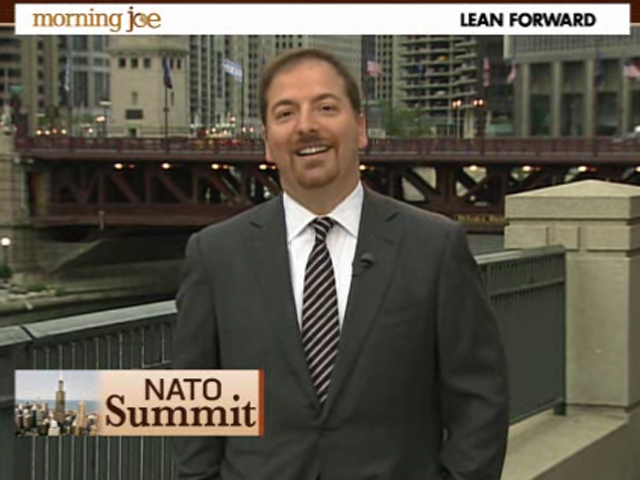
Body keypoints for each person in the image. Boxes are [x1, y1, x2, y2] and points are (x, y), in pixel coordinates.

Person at [173, 48, 509, 480]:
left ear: (361, 128)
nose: (306, 126)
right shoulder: (215, 254)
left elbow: (480, 400)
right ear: (268, 142)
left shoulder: (435, 247)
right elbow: (195, 409)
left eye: (326, 108)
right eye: (285, 113)